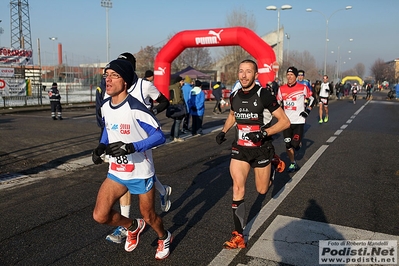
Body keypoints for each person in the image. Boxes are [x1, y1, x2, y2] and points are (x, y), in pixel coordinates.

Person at [92, 58, 172, 260]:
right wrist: (101, 145)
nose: (107, 80)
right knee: (100, 215)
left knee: (150, 216)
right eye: (106, 76)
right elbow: (109, 130)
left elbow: (159, 136)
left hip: (140, 172)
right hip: (117, 172)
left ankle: (164, 236)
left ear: (125, 81)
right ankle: (132, 226)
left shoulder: (135, 107)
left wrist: (132, 146)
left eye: (114, 76)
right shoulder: (106, 106)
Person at [215, 59, 290, 249]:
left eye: (248, 72)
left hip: (261, 149)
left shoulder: (264, 95)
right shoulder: (235, 96)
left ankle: (273, 163)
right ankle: (239, 235)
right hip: (240, 149)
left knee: (262, 190)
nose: (244, 75)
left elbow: (284, 122)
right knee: (238, 188)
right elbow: (232, 115)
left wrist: (264, 133)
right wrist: (224, 131)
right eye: (241, 71)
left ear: (256, 75)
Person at [276, 66, 315, 172]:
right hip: (286, 122)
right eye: (288, 75)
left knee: (295, 144)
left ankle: (298, 143)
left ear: (296, 76)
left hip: (298, 121)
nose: (289, 77)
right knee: (288, 145)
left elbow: (312, 98)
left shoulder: (302, 88)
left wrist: (307, 111)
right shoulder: (281, 89)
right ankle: (293, 163)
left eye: (291, 75)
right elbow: (277, 104)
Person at [168, 76, 186, 142]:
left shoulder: (172, 87)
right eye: (182, 81)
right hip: (177, 106)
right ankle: (176, 137)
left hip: (173, 106)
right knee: (178, 121)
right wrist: (182, 101)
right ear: (179, 81)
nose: (183, 82)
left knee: (175, 121)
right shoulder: (177, 88)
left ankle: (171, 136)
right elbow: (178, 99)